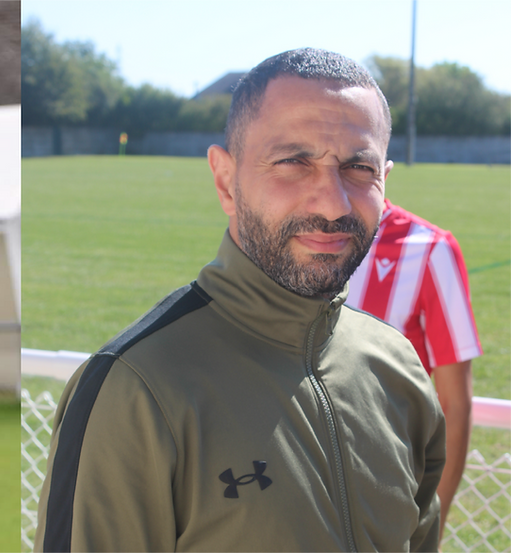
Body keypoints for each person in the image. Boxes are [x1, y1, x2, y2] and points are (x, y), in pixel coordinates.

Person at [34, 48, 445, 553]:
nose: (333, 201)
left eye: (359, 168)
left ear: (385, 180)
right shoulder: (134, 388)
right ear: (226, 180)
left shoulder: (397, 366)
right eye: (294, 161)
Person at [346, 199, 481, 534]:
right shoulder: (282, 237)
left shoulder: (429, 249)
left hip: (384, 497)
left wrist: (430, 530)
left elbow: (454, 404)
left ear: (385, 167)